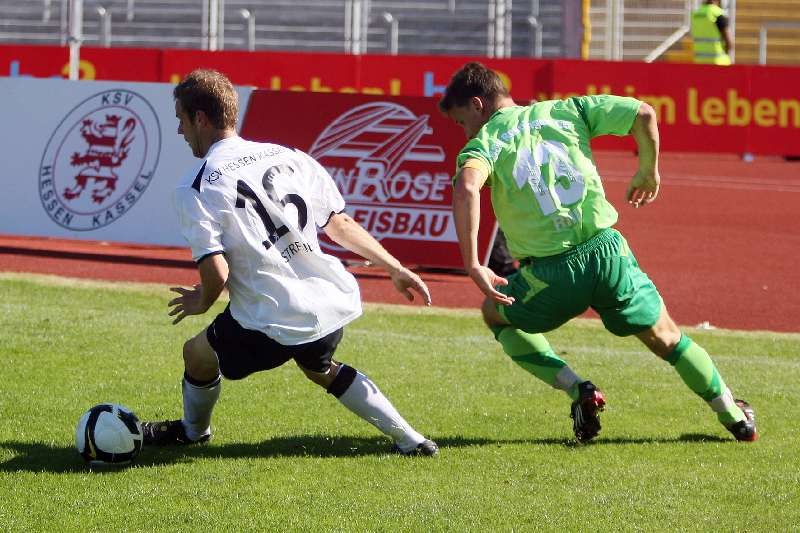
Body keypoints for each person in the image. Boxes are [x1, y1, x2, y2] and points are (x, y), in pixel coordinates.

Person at [439, 62, 756, 443]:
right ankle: (734, 416)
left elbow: (467, 187)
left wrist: (474, 262)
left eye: (462, 121)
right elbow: (643, 113)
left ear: (478, 104)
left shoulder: (485, 142)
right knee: (668, 338)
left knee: (495, 315)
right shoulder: (568, 109)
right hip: (608, 254)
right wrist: (648, 170)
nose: (465, 131)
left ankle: (579, 389)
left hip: (551, 273)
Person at [141, 69, 438, 456]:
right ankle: (413, 440)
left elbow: (217, 272)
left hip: (269, 316)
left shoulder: (196, 185)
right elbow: (339, 224)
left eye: (181, 119)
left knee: (196, 354)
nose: (180, 130)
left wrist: (202, 300)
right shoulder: (290, 156)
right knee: (321, 368)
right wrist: (395, 267)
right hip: (326, 300)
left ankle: (193, 433)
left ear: (200, 118)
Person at [691, 0, 733, 65]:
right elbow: (729, 43)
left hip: (699, 61)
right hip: (718, 62)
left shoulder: (696, 14)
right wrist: (725, 54)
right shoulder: (717, 13)